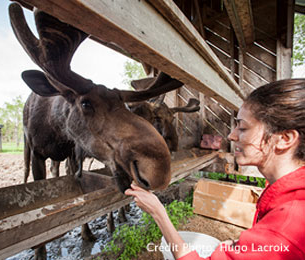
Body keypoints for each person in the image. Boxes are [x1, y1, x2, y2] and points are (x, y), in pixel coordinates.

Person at [125, 78, 305, 259]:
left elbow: (279, 241)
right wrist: (242, 247)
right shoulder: (287, 197)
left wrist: (158, 213)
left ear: (284, 138)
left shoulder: (286, 228)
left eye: (242, 127)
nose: (231, 135)